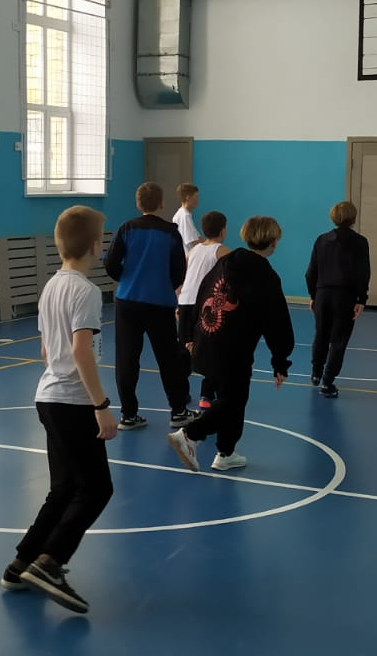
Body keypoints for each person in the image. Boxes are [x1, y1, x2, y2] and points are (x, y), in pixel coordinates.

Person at [1, 206, 117, 614]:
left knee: (64, 487)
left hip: (47, 397)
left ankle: (21, 564)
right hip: (73, 402)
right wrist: (100, 404)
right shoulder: (86, 291)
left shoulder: (51, 286)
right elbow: (81, 349)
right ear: (95, 246)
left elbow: (46, 350)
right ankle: (50, 563)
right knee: (97, 489)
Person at [168, 216, 294, 474]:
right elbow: (276, 321)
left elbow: (203, 293)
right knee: (234, 401)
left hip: (207, 339)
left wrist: (192, 335)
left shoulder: (226, 262)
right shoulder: (265, 275)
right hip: (233, 348)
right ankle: (190, 434)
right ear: (273, 242)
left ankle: (225, 452)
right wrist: (280, 360)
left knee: (231, 397)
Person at [103, 181, 193, 431]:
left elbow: (110, 263)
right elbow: (179, 270)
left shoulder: (126, 228)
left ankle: (128, 415)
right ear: (161, 203)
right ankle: (178, 411)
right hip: (160, 303)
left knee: (127, 358)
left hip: (127, 302)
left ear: (138, 204)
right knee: (168, 358)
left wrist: (127, 279)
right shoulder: (170, 233)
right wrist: (164, 285)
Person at [305, 200, 371, 398]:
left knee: (321, 334)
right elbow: (363, 273)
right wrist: (361, 299)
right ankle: (328, 381)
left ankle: (316, 373)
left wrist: (313, 295)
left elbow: (311, 272)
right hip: (345, 297)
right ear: (353, 218)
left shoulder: (321, 240)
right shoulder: (360, 242)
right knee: (339, 340)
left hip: (323, 294)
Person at [178, 211, 229, 410]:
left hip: (185, 302)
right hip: (203, 305)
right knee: (211, 348)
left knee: (184, 349)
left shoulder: (193, 251)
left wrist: (178, 302)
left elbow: (182, 276)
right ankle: (206, 393)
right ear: (223, 230)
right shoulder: (222, 252)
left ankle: (180, 393)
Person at [173, 182, 202, 252]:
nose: (198, 200)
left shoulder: (183, 214)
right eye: (196, 197)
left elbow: (197, 238)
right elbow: (193, 241)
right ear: (188, 197)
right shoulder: (185, 216)